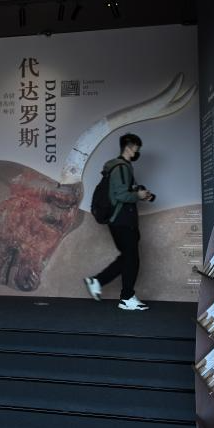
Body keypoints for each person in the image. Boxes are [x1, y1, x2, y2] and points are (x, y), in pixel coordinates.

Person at [83, 133, 153, 311]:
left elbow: (124, 191)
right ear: (128, 148)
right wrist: (137, 195)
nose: (137, 152)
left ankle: (97, 281)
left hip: (121, 219)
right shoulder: (121, 167)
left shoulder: (122, 167)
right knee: (132, 259)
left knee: (128, 257)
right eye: (136, 148)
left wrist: (142, 194)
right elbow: (121, 195)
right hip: (122, 219)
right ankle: (126, 298)